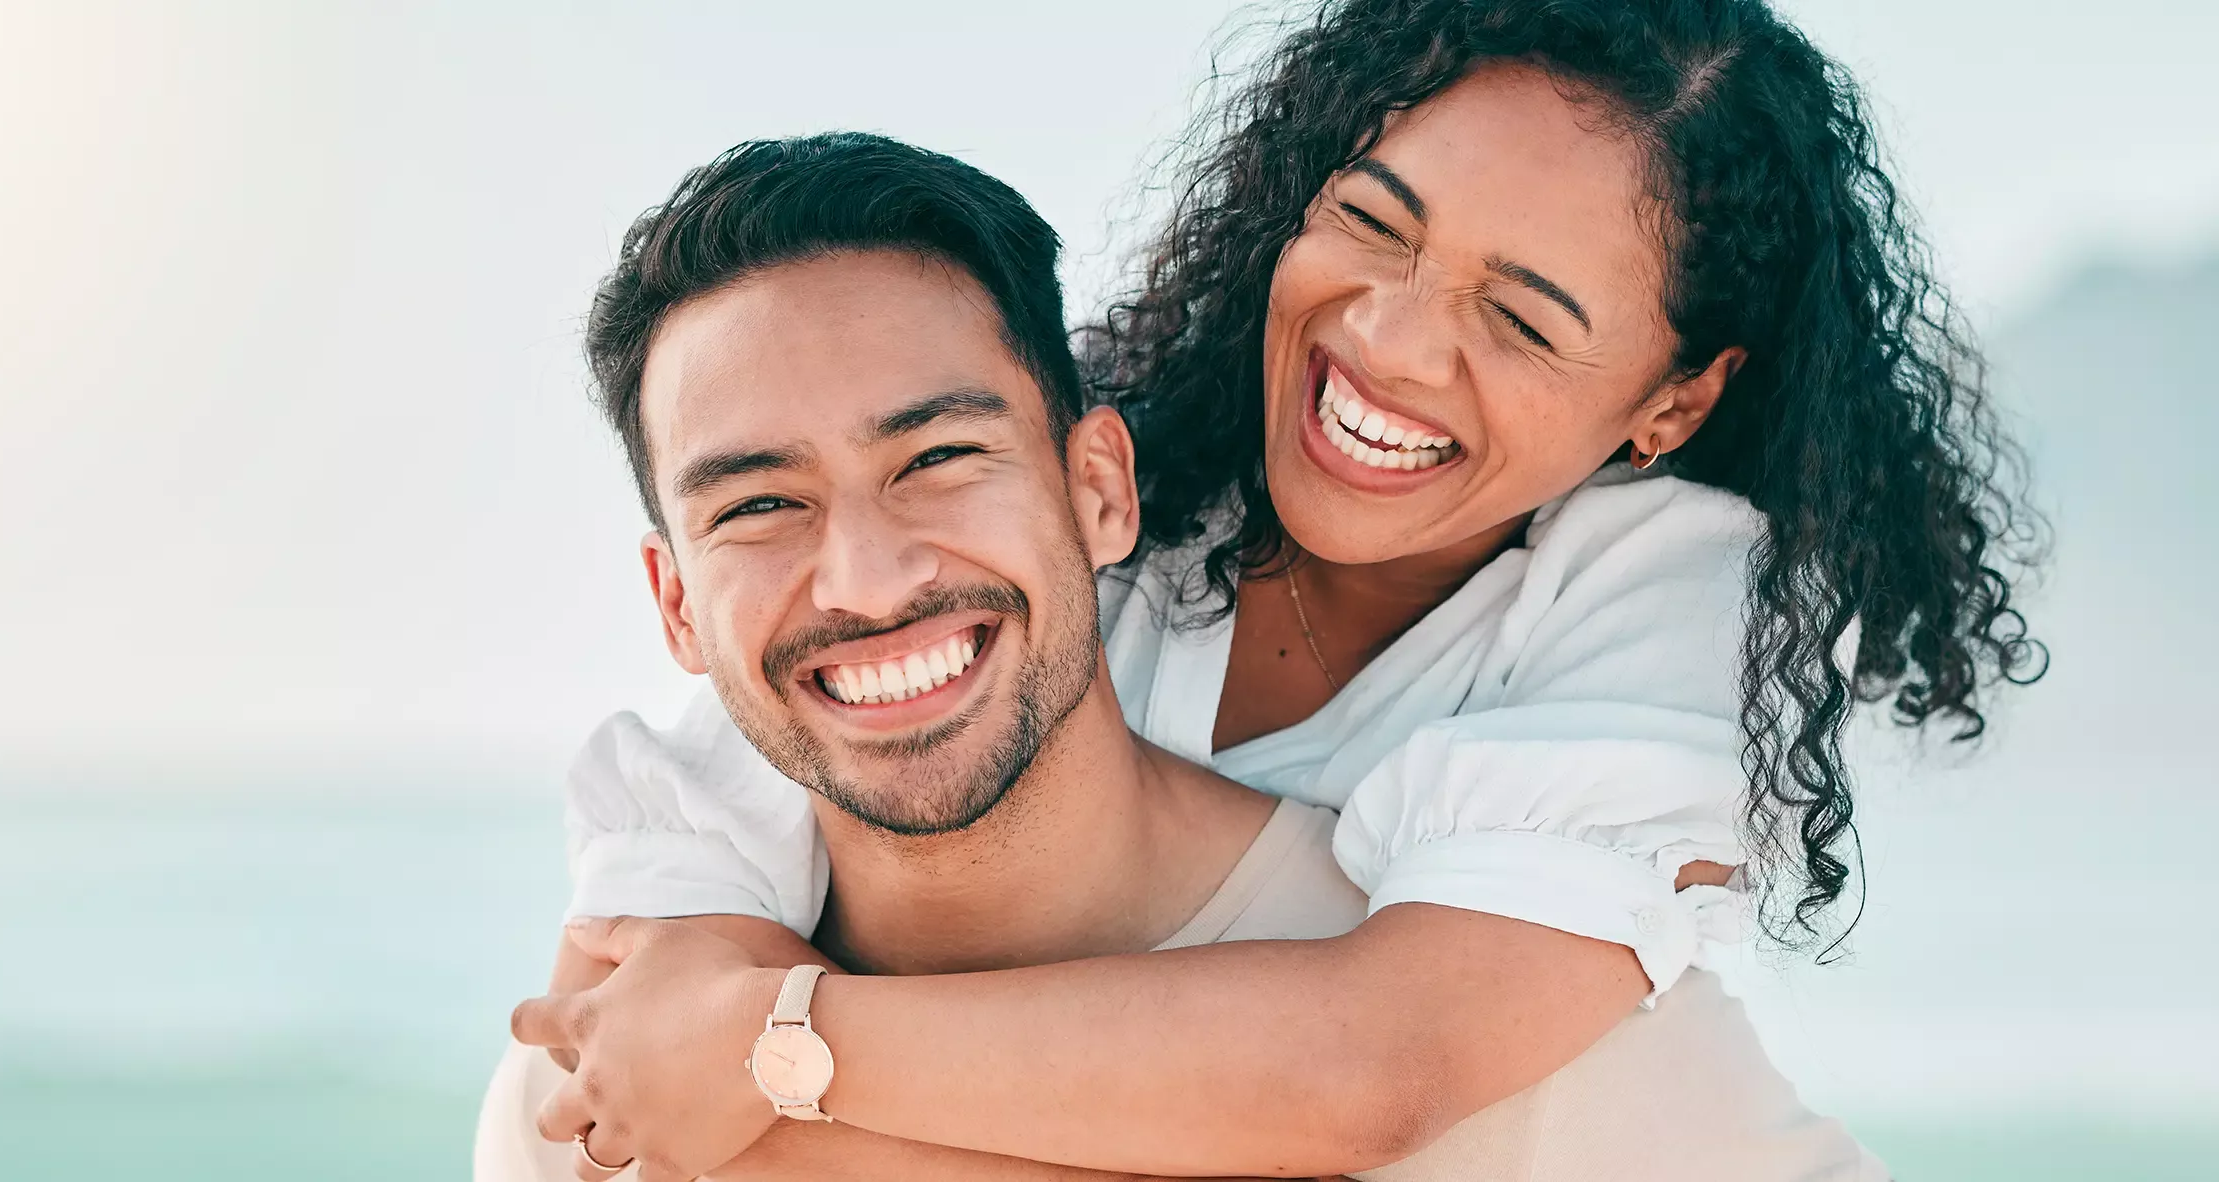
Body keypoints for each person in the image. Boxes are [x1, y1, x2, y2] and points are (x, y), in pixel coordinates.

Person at [510, 0, 2043, 1178]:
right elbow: (676, 900)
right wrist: (703, 987)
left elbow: (1372, 1067)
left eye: (1523, 318)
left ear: (1670, 403)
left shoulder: (1651, 600)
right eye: (1373, 222)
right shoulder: (1076, 494)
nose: (1391, 339)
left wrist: (780, 1054)